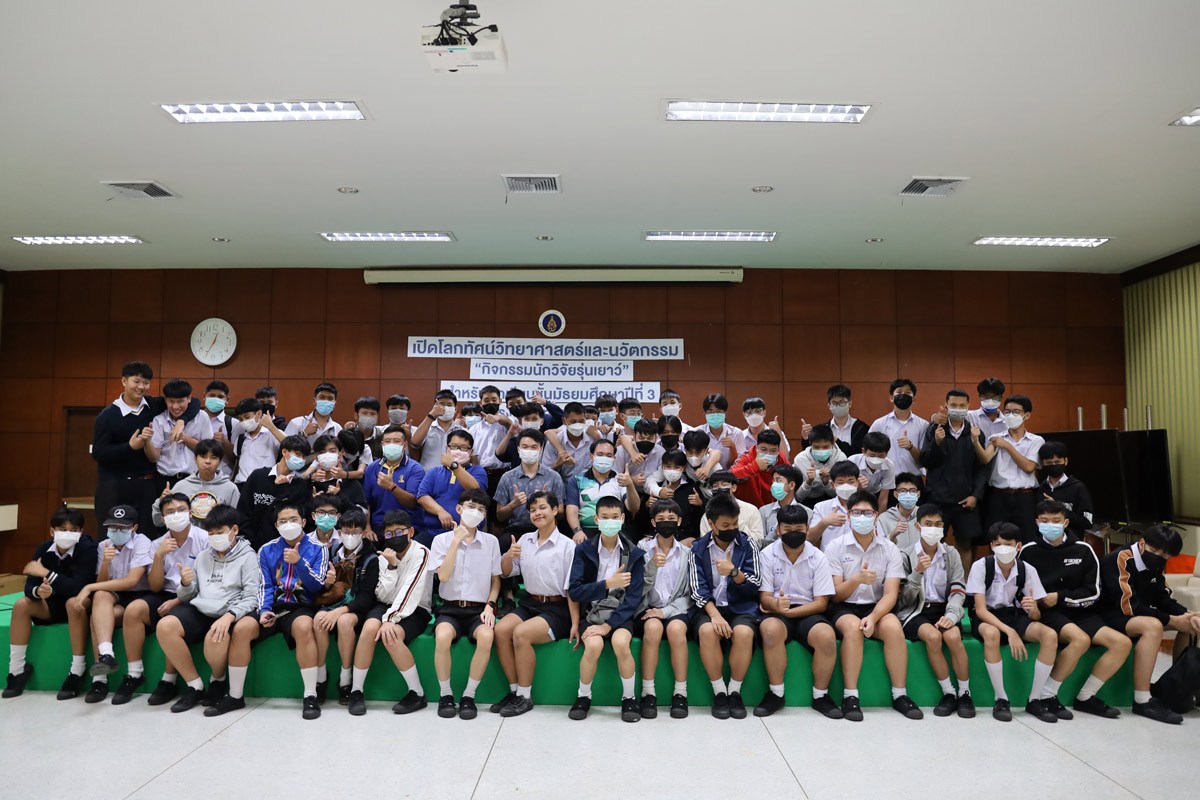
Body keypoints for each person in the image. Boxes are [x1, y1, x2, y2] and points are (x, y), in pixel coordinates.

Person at [211, 502, 329, 719]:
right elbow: (264, 584)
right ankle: (235, 696)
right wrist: (264, 609)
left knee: (304, 627)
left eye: (293, 520)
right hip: (272, 606)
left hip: (300, 606)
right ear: (276, 525)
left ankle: (310, 695)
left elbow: (317, 586)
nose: (288, 524)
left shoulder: (319, 548)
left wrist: (299, 562)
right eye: (283, 521)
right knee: (242, 629)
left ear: (304, 522)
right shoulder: (266, 549)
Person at [1020, 501, 1129, 720]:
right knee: (1080, 640)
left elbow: (1093, 591)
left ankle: (1086, 697)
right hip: (1047, 612)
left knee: (1122, 643)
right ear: (1037, 522)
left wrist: (1060, 597)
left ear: (1066, 522)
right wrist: (1040, 603)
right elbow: (1021, 587)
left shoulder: (1084, 549)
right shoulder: (1028, 551)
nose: (1051, 525)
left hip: (1080, 610)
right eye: (1045, 521)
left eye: (1056, 521)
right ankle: (1047, 695)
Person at [153, 504, 262, 713]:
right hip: (201, 608)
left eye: (220, 532)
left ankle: (217, 679)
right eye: (211, 533)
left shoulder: (249, 556)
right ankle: (195, 685)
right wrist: (185, 584)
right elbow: (189, 595)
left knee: (216, 635)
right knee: (166, 626)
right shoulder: (203, 556)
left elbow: (252, 597)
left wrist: (229, 616)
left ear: (234, 530)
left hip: (230, 611)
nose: (214, 538)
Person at [825, 491, 922, 721]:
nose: (862, 517)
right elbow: (835, 596)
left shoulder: (889, 548)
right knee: (853, 629)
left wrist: (874, 617)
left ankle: (900, 695)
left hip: (878, 607)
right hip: (844, 607)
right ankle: (850, 696)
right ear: (849, 516)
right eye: (856, 512)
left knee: (893, 629)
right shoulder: (835, 547)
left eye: (867, 513)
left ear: (876, 515)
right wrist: (857, 580)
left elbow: (891, 593)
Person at [113, 492, 209, 705]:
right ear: (163, 519)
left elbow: (206, 582)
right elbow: (155, 586)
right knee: (134, 610)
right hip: (165, 593)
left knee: (171, 620)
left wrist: (178, 600)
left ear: (191, 513)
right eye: (170, 512)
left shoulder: (205, 539)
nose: (176, 515)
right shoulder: (158, 543)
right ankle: (134, 673)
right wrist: (159, 556)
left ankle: (170, 681)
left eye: (181, 510)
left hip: (195, 596)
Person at [1099, 524, 1199, 724]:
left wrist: (1187, 615)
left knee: (1189, 625)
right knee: (1153, 626)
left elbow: (1162, 598)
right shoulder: (1120, 558)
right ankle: (1142, 700)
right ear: (1142, 543)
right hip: (1109, 615)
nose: (1159, 557)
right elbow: (1129, 606)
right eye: (1155, 551)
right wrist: (1171, 620)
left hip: (1135, 614)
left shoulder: (1156, 564)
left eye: (1165, 555)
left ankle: (1176, 690)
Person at [493, 491, 580, 717]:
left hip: (558, 608)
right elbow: (505, 572)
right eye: (532, 510)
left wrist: (575, 623)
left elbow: (572, 588)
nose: (537, 513)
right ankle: (514, 691)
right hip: (530, 603)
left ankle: (525, 696)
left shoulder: (567, 546)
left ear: (555, 510)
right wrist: (509, 555)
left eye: (542, 508)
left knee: (521, 634)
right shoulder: (524, 540)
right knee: (501, 631)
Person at [59, 505, 154, 703]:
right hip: (114, 595)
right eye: (113, 527)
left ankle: (101, 678)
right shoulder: (104, 545)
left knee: (97, 613)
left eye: (123, 527)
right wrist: (105, 564)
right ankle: (105, 656)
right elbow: (102, 581)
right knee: (100, 598)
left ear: (134, 527)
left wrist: (89, 588)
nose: (117, 531)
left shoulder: (142, 542)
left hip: (139, 595)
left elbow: (132, 581)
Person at [966, 522, 1060, 723]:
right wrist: (1010, 632)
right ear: (991, 546)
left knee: (1050, 635)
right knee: (992, 634)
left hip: (1014, 614)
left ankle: (1035, 699)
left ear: (1018, 546)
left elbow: (1035, 616)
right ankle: (1001, 698)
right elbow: (980, 610)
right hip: (986, 616)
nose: (1003, 548)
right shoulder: (981, 566)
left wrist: (1033, 609)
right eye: (998, 544)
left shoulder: (1027, 570)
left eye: (1008, 544)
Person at [92, 361, 202, 533]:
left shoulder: (153, 405)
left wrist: (181, 421)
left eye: (146, 382)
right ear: (124, 381)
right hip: (115, 485)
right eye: (136, 381)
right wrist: (130, 447)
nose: (141, 387)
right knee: (112, 534)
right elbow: (98, 453)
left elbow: (193, 402)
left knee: (148, 534)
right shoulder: (107, 415)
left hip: (147, 484)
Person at [754, 505, 841, 719]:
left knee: (826, 636)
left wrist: (791, 613)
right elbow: (764, 596)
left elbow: (821, 603)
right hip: (777, 610)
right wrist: (776, 606)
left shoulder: (818, 557)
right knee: (770, 630)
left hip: (808, 610)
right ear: (778, 530)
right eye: (788, 528)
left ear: (807, 529)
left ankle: (821, 696)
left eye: (799, 529)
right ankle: (776, 694)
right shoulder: (766, 555)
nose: (794, 533)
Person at [567, 496, 647, 722]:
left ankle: (629, 698)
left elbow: (633, 598)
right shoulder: (584, 550)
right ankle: (583, 696)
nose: (610, 521)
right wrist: (607, 584)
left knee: (621, 643)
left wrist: (609, 625)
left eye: (614, 517)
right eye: (604, 517)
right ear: (596, 519)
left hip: (621, 615)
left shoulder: (635, 554)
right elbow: (575, 591)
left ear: (622, 518)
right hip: (591, 613)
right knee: (593, 645)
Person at [345, 510, 433, 717]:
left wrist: (390, 620)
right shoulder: (384, 556)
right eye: (390, 533)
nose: (395, 537)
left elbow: (411, 590)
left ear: (411, 532)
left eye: (400, 531)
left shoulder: (422, 553)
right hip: (387, 605)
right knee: (369, 629)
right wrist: (392, 567)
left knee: (390, 636)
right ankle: (356, 691)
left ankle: (417, 693)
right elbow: (381, 594)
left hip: (416, 608)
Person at [4, 507, 98, 698]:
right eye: (63, 529)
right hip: (51, 605)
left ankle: (77, 670)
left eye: (74, 530)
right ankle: (17, 670)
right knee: (22, 604)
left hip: (80, 605)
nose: (68, 534)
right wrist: (39, 591)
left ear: (81, 532)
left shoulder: (88, 549)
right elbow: (29, 585)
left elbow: (80, 587)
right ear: (52, 531)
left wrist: (47, 574)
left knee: (73, 602)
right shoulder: (43, 549)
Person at [895, 504, 973, 718]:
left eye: (938, 525)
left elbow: (958, 588)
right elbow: (903, 600)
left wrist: (952, 615)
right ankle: (949, 693)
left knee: (953, 637)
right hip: (915, 611)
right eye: (928, 524)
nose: (933, 529)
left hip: (944, 609)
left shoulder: (951, 553)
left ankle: (965, 693)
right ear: (918, 527)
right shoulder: (905, 555)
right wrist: (917, 573)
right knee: (932, 637)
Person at [428, 490, 501, 720]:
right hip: (449, 607)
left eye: (481, 509)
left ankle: (469, 695)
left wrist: (490, 605)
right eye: (471, 507)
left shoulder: (491, 542)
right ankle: (446, 694)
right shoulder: (441, 540)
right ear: (459, 509)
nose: (475, 512)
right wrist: (455, 543)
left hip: (478, 609)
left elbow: (496, 580)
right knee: (442, 637)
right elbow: (443, 576)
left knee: (487, 636)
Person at [689, 493, 762, 720]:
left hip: (741, 606)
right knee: (707, 631)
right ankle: (719, 691)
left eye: (735, 524)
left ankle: (734, 692)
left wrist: (734, 572)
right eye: (725, 525)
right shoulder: (698, 548)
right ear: (711, 524)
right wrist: (715, 616)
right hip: (709, 608)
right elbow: (697, 589)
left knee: (744, 633)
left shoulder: (747, 544)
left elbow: (755, 583)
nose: (732, 529)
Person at [635, 500, 697, 719]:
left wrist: (666, 612)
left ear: (679, 521)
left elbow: (689, 594)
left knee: (676, 630)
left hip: (676, 609)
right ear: (653, 523)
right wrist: (651, 566)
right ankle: (648, 692)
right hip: (648, 608)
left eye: (671, 519)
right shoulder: (642, 549)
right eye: (661, 519)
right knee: (653, 629)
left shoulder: (687, 553)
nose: (666, 523)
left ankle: (681, 693)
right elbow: (636, 588)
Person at [309, 507, 377, 706]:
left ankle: (346, 677)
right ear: (340, 532)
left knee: (345, 622)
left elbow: (367, 597)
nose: (350, 536)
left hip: (356, 608)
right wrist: (327, 583)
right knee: (318, 620)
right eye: (346, 531)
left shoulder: (371, 558)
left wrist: (341, 611)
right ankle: (321, 676)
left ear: (364, 533)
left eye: (355, 532)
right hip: (332, 602)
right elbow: (318, 588)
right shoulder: (330, 552)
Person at [921, 389, 990, 570]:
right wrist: (936, 443)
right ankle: (934, 582)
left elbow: (982, 469)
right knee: (933, 544)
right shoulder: (935, 430)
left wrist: (976, 495)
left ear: (968, 406)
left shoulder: (975, 433)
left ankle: (963, 584)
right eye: (953, 405)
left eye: (961, 405)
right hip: (938, 499)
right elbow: (925, 461)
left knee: (965, 545)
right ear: (946, 405)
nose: (957, 409)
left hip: (966, 500)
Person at [975, 395, 1044, 542]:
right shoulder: (996, 437)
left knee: (1027, 538)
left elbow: (1029, 467)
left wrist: (1007, 446)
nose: (1010, 415)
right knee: (997, 538)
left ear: (1027, 415)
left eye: (1016, 412)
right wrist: (975, 441)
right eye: (1007, 412)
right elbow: (985, 458)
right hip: (998, 496)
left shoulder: (1036, 440)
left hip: (1025, 496)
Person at [236, 435, 314, 549]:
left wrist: (282, 488)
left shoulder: (301, 486)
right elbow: (243, 511)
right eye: (297, 454)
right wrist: (249, 543)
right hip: (251, 546)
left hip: (284, 548)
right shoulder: (258, 476)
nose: (301, 459)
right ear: (284, 452)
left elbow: (297, 520)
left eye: (304, 457)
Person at [414, 429, 488, 546]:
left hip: (467, 533)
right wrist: (440, 511)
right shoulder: (435, 472)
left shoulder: (477, 471)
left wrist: (454, 466)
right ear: (447, 449)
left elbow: (475, 490)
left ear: (471, 452)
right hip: (434, 531)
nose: (458, 451)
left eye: (463, 448)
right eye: (454, 446)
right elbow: (422, 496)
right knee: (414, 549)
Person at [152, 438, 240, 529]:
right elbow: (158, 521)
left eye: (213, 458)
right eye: (203, 456)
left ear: (220, 461)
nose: (208, 461)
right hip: (188, 536)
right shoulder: (181, 486)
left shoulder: (230, 488)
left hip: (218, 536)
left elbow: (238, 522)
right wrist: (161, 501)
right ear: (195, 458)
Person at [565, 438, 639, 542]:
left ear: (614, 458)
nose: (604, 458)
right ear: (591, 456)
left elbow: (634, 508)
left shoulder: (620, 479)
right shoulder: (577, 480)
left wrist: (630, 485)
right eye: (600, 454)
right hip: (586, 531)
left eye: (609, 455)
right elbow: (572, 510)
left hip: (615, 530)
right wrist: (577, 531)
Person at [493, 429, 565, 536]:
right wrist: (513, 504)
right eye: (525, 447)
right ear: (518, 449)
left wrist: (547, 502)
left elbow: (561, 514)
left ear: (541, 449)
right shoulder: (507, 477)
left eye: (534, 447)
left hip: (545, 528)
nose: (529, 450)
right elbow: (500, 516)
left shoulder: (554, 477)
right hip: (516, 529)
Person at [145, 378, 214, 486]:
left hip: (195, 479)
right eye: (171, 401)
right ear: (165, 400)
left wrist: (185, 438)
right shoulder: (159, 420)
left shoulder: (202, 417)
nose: (175, 407)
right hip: (165, 480)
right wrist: (147, 441)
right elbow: (154, 458)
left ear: (189, 398)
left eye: (180, 401)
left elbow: (209, 451)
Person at [362, 424, 424, 535]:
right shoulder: (372, 468)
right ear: (382, 444)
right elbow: (367, 502)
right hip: (378, 526)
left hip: (406, 528)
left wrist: (392, 487)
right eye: (387, 441)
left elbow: (412, 503)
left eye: (396, 441)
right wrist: (367, 527)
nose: (391, 444)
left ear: (404, 445)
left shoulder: (415, 469)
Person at [868, 378, 929, 476]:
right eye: (899, 392)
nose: (903, 395)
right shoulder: (879, 424)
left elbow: (924, 459)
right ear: (891, 398)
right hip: (885, 478)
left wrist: (910, 447)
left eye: (908, 393)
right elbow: (868, 452)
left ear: (914, 399)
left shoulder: (923, 425)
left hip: (913, 479)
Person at [1037, 441, 1096, 535]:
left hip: (1071, 540)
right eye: (1049, 463)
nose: (1053, 465)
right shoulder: (1040, 488)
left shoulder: (1078, 487)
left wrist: (1059, 508)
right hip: (1044, 541)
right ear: (1042, 463)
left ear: (1065, 461)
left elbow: (1087, 523)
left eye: (1057, 462)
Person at [228, 398, 285, 488]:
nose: (244, 421)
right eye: (241, 419)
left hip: (264, 485)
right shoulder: (240, 439)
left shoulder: (272, 434)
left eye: (247, 417)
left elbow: (291, 445)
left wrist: (271, 426)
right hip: (241, 484)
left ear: (259, 414)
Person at [729, 429, 791, 508]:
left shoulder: (781, 459)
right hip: (749, 507)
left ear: (778, 450)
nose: (768, 454)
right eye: (763, 449)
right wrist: (754, 467)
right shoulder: (747, 457)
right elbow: (729, 476)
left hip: (773, 508)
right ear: (756, 447)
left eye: (773, 451)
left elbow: (792, 480)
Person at [807, 462, 861, 550]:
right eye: (841, 482)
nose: (846, 486)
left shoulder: (867, 507)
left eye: (850, 482)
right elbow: (810, 538)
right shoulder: (821, 507)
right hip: (829, 557)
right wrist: (825, 522)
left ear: (857, 483)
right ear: (833, 485)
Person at [698, 472, 765, 543]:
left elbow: (759, 542)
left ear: (734, 488)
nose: (719, 488)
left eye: (724, 485)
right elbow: (704, 543)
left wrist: (737, 523)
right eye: (715, 486)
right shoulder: (707, 516)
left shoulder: (751, 510)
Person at [412, 389, 467, 472]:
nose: (445, 407)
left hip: (453, 475)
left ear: (455, 409)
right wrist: (431, 415)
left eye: (449, 405)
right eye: (441, 404)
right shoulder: (427, 427)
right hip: (428, 474)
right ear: (435, 407)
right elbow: (414, 443)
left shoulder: (463, 432)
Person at [793, 424, 848, 503]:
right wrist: (809, 481)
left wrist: (826, 483)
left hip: (833, 500)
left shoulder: (841, 459)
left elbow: (840, 495)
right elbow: (798, 497)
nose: (821, 450)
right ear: (810, 443)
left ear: (833, 443)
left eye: (825, 447)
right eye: (816, 447)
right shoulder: (800, 460)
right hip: (807, 500)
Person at [759, 465, 813, 543]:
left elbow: (810, 542)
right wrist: (775, 533)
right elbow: (761, 544)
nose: (774, 484)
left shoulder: (808, 512)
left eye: (778, 480)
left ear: (792, 485)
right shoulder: (764, 511)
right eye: (773, 481)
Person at [848, 431, 895, 511]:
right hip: (853, 494)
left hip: (876, 494)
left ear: (886, 454)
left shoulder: (889, 465)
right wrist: (857, 486)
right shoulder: (852, 462)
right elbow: (845, 491)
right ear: (864, 451)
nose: (876, 459)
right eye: (872, 455)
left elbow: (883, 498)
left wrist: (880, 517)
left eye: (881, 456)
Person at [877, 473, 924, 550]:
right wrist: (892, 536)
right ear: (896, 494)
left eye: (912, 491)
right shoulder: (883, 519)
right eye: (903, 491)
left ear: (918, 494)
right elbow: (880, 549)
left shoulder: (925, 516)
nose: (908, 494)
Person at [699, 393, 744, 468]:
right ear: (705, 414)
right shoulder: (698, 433)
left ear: (725, 414)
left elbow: (739, 464)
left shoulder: (736, 433)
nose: (715, 415)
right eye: (711, 411)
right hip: (705, 473)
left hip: (730, 474)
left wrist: (732, 447)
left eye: (719, 411)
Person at [823, 384, 869, 456]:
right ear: (829, 406)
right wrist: (806, 438)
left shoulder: (862, 428)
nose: (838, 405)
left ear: (850, 403)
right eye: (834, 403)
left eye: (842, 402)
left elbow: (858, 453)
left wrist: (836, 440)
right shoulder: (823, 428)